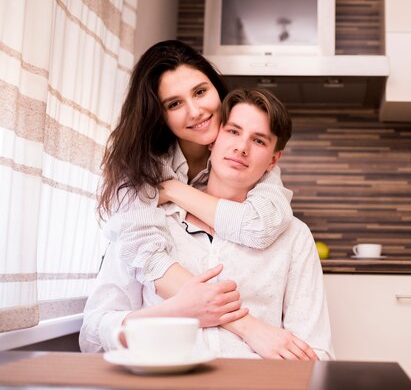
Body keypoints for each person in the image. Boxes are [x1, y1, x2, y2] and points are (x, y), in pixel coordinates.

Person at [80, 88, 333, 360]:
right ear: (213, 140)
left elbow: (315, 355)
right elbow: (92, 337)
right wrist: (177, 310)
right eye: (233, 132)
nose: (241, 147)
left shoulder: (293, 237)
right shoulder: (146, 224)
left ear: (274, 159)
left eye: (258, 141)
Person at [95, 40, 293, 326]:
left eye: (200, 92)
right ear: (159, 115)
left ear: (216, 88)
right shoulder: (138, 169)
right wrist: (247, 327)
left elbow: (258, 225)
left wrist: (175, 191)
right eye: (174, 104)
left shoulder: (241, 153)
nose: (196, 111)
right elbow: (149, 261)